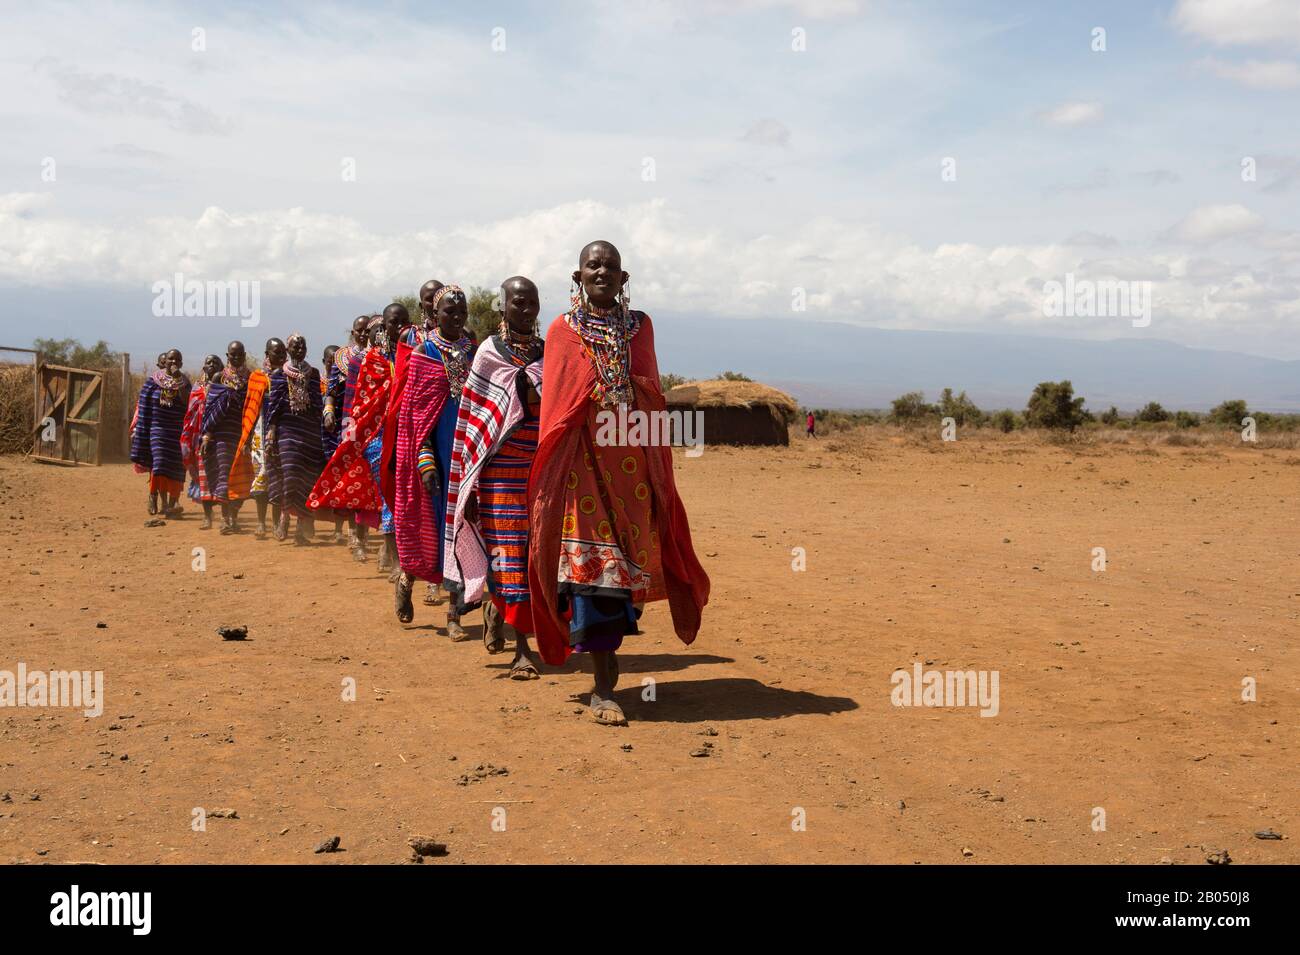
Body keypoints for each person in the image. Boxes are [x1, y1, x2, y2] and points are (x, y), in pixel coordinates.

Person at [528, 240, 709, 725]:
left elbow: (652, 393)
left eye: (610, 266)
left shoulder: (641, 327)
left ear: (623, 279)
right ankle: (603, 689)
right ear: (578, 276)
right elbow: (558, 409)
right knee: (596, 582)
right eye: (593, 265)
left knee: (628, 580)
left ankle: (605, 668)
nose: (602, 272)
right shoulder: (562, 332)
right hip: (582, 474)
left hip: (634, 474)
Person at [444, 276, 545, 677]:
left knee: (537, 554)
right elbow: (473, 421)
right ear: (502, 307)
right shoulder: (488, 354)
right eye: (517, 303)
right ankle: (522, 650)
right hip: (499, 471)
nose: (525, 309)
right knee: (508, 553)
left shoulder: (549, 351)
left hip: (541, 466)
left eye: (532, 302)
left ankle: (505, 615)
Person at [392, 286, 475, 637]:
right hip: (434, 451)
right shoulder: (424, 351)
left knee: (460, 527)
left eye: (461, 312)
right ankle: (406, 578)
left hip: (466, 450)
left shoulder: (474, 351)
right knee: (429, 524)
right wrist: (425, 458)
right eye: (449, 312)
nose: (456, 317)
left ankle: (454, 614)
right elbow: (415, 412)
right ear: (435, 315)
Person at [201, 340, 270, 534]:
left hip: (244, 435)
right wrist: (207, 435)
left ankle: (234, 515)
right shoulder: (218, 377)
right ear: (227, 356)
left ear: (245, 355)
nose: (237, 358)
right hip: (222, 435)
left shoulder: (252, 378)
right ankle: (225, 519)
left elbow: (256, 408)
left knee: (241, 477)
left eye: (240, 355)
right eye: (233, 355)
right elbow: (210, 410)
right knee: (225, 475)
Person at [267, 333, 325, 545]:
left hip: (309, 431)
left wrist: (323, 431)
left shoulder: (314, 373)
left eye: (302, 346)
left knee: (307, 478)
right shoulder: (278, 375)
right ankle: (284, 515)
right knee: (290, 474)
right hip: (287, 431)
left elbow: (318, 404)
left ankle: (301, 527)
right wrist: (271, 431)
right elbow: (273, 406)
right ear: (288, 349)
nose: (299, 349)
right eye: (295, 346)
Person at [130, 348, 191, 518]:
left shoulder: (185, 383)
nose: (173, 362)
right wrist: (142, 428)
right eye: (170, 359)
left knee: (177, 467)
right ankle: (153, 495)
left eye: (177, 360)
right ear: (165, 362)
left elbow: (189, 403)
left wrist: (179, 382)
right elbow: (144, 404)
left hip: (177, 430)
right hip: (157, 428)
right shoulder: (153, 381)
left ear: (181, 363)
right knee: (160, 462)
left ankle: (172, 504)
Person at [180, 354, 224, 529]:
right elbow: (190, 411)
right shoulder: (197, 387)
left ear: (221, 366)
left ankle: (227, 517)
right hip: (200, 435)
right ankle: (207, 517)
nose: (211, 365)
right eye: (208, 362)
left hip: (221, 435)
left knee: (222, 473)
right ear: (203, 366)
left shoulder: (226, 385)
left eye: (215, 362)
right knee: (204, 474)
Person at [253, 338, 287, 539]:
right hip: (259, 431)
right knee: (262, 475)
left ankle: (276, 524)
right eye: (276, 352)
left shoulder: (288, 375)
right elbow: (249, 408)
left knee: (278, 477)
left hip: (282, 431)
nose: (281, 356)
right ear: (267, 354)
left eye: (283, 352)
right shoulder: (257, 377)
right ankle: (260, 522)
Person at [319, 343, 348, 544]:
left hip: (347, 428)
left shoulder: (346, 375)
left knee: (344, 479)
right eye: (329, 361)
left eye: (334, 360)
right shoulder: (322, 382)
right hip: (327, 434)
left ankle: (343, 528)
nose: (331, 363)